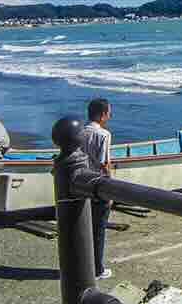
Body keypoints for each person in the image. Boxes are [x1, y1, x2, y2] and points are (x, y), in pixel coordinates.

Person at [83, 97, 113, 279]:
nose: (109, 116)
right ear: (102, 115)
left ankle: (83, 264)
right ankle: (97, 269)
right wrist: (110, 190)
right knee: (98, 231)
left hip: (80, 185)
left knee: (83, 229)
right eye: (109, 113)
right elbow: (104, 164)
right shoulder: (103, 135)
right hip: (98, 187)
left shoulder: (79, 131)